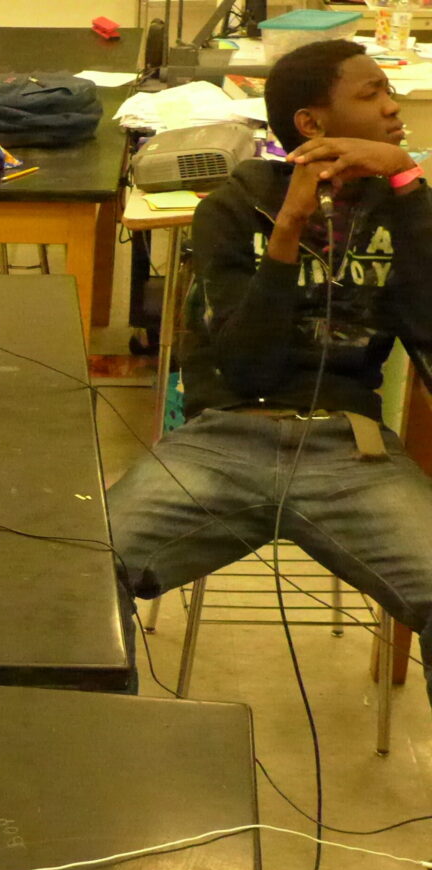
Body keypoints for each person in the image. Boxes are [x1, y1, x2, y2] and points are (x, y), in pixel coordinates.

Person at [107, 40, 432, 703]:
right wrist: (286, 234)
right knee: (72, 573)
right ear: (311, 124)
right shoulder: (232, 207)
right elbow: (245, 363)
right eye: (370, 95)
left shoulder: (403, 207)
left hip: (351, 453)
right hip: (223, 441)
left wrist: (407, 183)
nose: (393, 107)